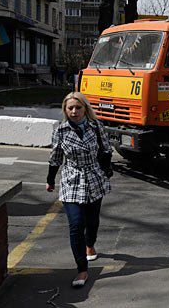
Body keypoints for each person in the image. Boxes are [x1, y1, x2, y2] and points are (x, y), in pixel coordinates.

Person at [46, 92, 111, 288]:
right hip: (71, 180)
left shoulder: (96, 126)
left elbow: (106, 150)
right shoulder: (61, 131)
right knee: (76, 224)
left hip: (94, 177)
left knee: (92, 222)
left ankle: (90, 244)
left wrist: (106, 170)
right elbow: (55, 157)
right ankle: (82, 270)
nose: (74, 112)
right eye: (70, 108)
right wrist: (50, 180)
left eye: (78, 108)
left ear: (85, 109)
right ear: (65, 110)